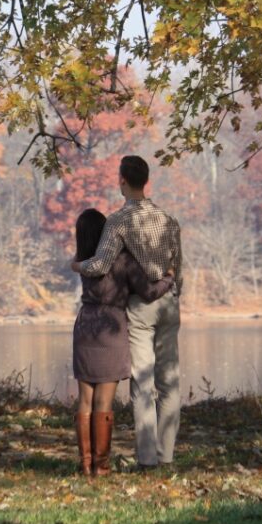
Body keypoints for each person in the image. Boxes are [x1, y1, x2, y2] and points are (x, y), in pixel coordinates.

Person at [71, 156, 183, 470]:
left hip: (140, 306)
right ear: (146, 180)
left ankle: (147, 459)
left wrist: (77, 265)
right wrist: (174, 290)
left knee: (143, 383)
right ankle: (167, 455)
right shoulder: (168, 219)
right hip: (169, 300)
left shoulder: (118, 221)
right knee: (170, 381)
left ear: (122, 180)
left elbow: (101, 265)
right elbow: (179, 266)